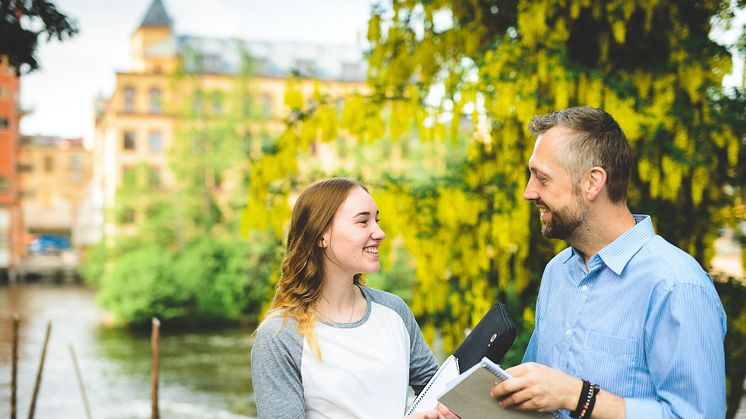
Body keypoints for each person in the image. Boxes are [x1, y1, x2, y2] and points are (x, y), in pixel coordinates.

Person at [438, 106, 727, 419]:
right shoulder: (557, 273)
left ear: (593, 182)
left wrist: (578, 396)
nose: (528, 192)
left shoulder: (676, 284)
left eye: (542, 178)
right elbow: (538, 403)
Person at [251, 178, 440, 419]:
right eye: (363, 221)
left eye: (376, 220)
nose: (380, 233)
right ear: (321, 235)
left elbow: (439, 394)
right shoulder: (280, 336)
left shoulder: (394, 310)